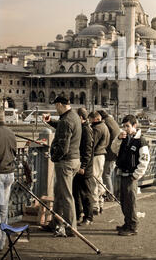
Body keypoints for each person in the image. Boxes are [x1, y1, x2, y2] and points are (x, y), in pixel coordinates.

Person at [42, 96, 82, 237]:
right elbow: (62, 127)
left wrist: (53, 157)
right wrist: (50, 121)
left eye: (55, 106)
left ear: (59, 104)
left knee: (66, 196)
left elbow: (63, 147)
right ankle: (55, 223)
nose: (55, 109)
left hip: (66, 162)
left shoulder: (66, 120)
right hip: (75, 160)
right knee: (59, 193)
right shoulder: (74, 116)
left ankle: (72, 228)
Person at [111, 114, 150, 236]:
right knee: (123, 200)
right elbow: (114, 149)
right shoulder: (124, 138)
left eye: (127, 126)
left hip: (131, 174)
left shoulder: (140, 141)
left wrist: (137, 174)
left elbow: (145, 159)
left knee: (130, 201)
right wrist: (118, 138)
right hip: (123, 172)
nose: (125, 129)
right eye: (124, 126)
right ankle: (127, 222)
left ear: (134, 125)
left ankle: (132, 226)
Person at [0, 109, 17, 251]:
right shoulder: (11, 132)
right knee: (3, 209)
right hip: (9, 174)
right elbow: (15, 152)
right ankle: (2, 242)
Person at [73, 108, 94, 226]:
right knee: (76, 191)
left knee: (86, 193)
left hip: (84, 168)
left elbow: (88, 150)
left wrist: (84, 166)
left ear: (81, 117)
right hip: (79, 165)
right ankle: (77, 214)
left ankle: (88, 217)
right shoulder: (82, 128)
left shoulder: (86, 130)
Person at [88, 111, 110, 215]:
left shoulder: (97, 128)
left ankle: (95, 205)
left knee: (93, 180)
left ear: (95, 119)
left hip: (96, 156)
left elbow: (92, 144)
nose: (89, 122)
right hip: (102, 155)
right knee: (99, 179)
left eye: (90, 119)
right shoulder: (104, 126)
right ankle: (101, 203)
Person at [98, 110, 121, 201]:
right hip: (114, 153)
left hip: (110, 154)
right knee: (109, 174)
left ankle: (110, 195)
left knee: (106, 174)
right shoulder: (111, 121)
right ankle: (112, 194)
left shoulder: (105, 123)